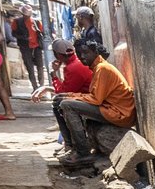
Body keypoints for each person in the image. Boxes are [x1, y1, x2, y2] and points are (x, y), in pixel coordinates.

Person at [55, 37, 136, 168]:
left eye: (86, 53)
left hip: (120, 113)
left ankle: (83, 153)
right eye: (79, 54)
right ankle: (72, 146)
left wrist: (70, 98)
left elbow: (96, 99)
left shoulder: (102, 68)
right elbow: (94, 96)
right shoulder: (98, 68)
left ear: (95, 52)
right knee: (62, 102)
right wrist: (70, 95)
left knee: (67, 105)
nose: (82, 57)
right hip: (112, 109)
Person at [12, 3, 47, 91]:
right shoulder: (16, 21)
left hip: (37, 47)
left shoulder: (36, 22)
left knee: (40, 66)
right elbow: (13, 33)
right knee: (30, 67)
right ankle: (35, 87)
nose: (27, 16)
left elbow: (42, 33)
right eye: (25, 15)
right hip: (25, 47)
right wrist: (23, 37)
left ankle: (41, 86)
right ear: (22, 14)